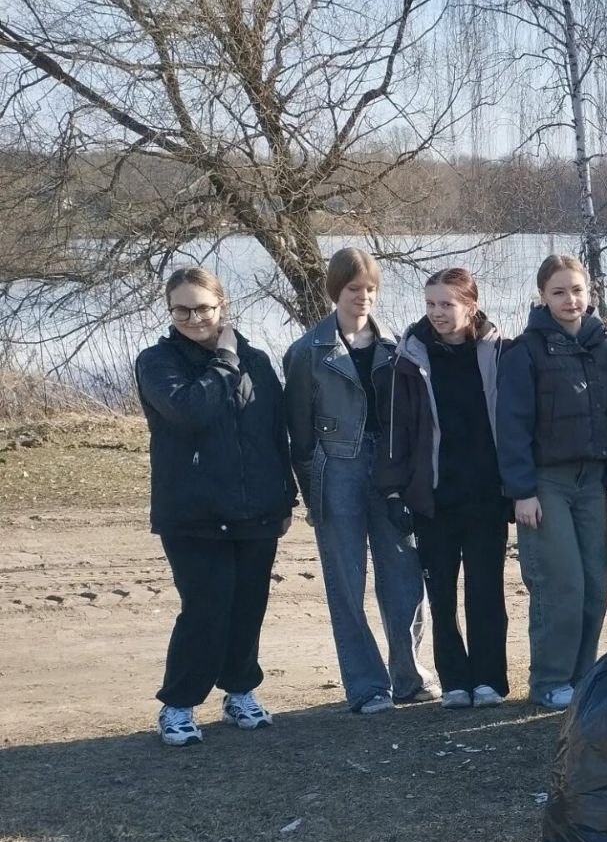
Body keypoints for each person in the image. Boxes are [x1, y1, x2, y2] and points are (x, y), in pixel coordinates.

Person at [135, 267, 295, 746]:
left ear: (221, 306)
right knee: (205, 608)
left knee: (247, 606)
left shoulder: (257, 360)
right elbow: (191, 411)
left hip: (255, 510)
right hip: (192, 513)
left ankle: (240, 692)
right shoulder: (157, 362)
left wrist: (284, 495)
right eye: (181, 309)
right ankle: (178, 705)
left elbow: (274, 433)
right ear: (170, 311)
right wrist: (225, 360)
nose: (193, 318)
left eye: (202, 307)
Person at [283, 247, 438, 715]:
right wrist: (313, 493)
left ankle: (409, 677)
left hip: (390, 471)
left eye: (371, 289)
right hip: (336, 470)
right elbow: (299, 435)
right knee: (346, 583)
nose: (363, 297)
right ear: (336, 290)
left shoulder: (397, 346)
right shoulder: (307, 352)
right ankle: (367, 686)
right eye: (354, 289)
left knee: (405, 574)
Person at [496, 254, 607, 709]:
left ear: (589, 293)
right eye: (558, 292)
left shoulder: (605, 347)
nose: (570, 300)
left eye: (576, 290)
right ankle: (550, 680)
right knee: (561, 584)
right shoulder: (525, 351)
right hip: (546, 484)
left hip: (593, 482)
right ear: (542, 297)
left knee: (594, 584)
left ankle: (582, 678)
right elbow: (511, 425)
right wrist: (522, 491)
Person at [376, 268, 510, 709]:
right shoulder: (409, 358)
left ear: (470, 305)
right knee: (442, 595)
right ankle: (454, 679)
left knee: (486, 591)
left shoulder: (497, 352)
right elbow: (396, 431)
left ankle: (489, 678)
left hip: (487, 495)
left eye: (447, 304)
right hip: (433, 498)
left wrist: (515, 484)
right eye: (430, 304)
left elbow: (513, 422)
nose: (437, 312)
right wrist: (394, 492)